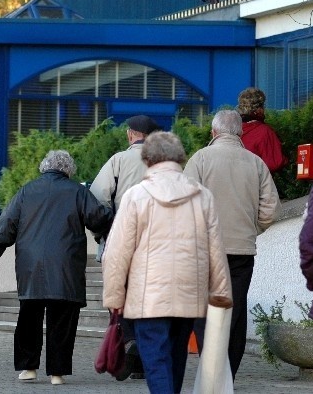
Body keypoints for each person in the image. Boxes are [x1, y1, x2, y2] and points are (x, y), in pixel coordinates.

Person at [102, 132, 233, 394]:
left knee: (156, 362)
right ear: (179, 158)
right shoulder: (202, 196)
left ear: (147, 159)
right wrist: (221, 292)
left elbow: (116, 254)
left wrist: (115, 297)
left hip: (148, 297)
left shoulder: (136, 196)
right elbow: (215, 249)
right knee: (176, 358)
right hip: (188, 294)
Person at [0, 150, 113, 386]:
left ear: (44, 167)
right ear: (68, 170)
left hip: (31, 266)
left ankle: (28, 368)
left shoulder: (27, 191)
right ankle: (57, 373)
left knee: (29, 316)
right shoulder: (77, 191)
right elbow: (98, 218)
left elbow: (7, 223)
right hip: (66, 266)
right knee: (62, 319)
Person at [183, 110, 281, 380]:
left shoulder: (200, 159)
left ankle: (211, 371)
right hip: (242, 249)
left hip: (206, 248)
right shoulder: (255, 163)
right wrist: (253, 227)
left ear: (213, 132)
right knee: (235, 312)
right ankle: (228, 374)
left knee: (204, 311)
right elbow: (271, 209)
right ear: (240, 133)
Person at [89, 113, 161, 381]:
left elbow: (96, 200)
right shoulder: (166, 162)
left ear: (131, 135)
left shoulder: (118, 160)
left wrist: (103, 233)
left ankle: (130, 343)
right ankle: (143, 359)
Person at [236, 87, 289, 173]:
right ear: (259, 109)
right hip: (254, 182)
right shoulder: (264, 132)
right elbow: (274, 163)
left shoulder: (233, 130)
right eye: (263, 105)